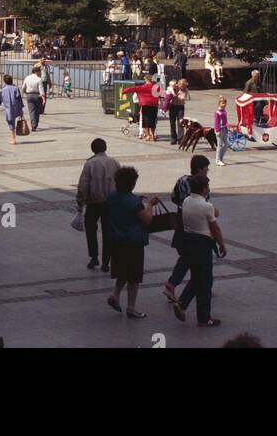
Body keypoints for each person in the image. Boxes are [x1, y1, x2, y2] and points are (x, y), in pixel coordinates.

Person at [105, 165, 160, 319]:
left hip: (116, 240)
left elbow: (124, 204)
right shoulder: (132, 202)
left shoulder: (112, 196)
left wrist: (137, 199)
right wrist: (150, 205)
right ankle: (131, 308)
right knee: (134, 277)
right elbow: (147, 219)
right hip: (132, 242)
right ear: (131, 183)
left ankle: (115, 296)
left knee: (122, 271)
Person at [175, 174, 224, 326]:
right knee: (205, 281)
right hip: (203, 244)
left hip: (188, 242)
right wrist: (222, 244)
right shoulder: (206, 206)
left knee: (197, 277)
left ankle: (182, 304)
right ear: (204, 189)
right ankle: (204, 317)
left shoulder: (186, 201)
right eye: (208, 187)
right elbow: (215, 228)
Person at [164, 153, 211, 310]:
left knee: (187, 256)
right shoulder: (199, 184)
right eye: (206, 169)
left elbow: (173, 197)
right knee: (189, 257)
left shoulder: (181, 180)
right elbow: (206, 202)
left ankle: (178, 284)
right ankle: (174, 284)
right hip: (195, 224)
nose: (207, 172)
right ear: (199, 170)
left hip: (181, 218)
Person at [75, 137, 119, 272]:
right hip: (111, 202)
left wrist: (80, 202)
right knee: (108, 231)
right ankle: (106, 262)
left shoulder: (90, 164)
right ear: (105, 148)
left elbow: (83, 184)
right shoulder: (114, 162)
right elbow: (120, 182)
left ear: (93, 149)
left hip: (94, 202)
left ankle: (94, 257)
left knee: (91, 229)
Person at [0, 74, 24, 147]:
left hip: (9, 110)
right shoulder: (16, 89)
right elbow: (20, 100)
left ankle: (13, 139)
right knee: (13, 122)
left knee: (11, 124)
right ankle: (13, 138)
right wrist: (21, 110)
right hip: (16, 108)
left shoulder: (2, 90)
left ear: (4, 81)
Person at [134, 73, 160, 142]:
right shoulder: (155, 87)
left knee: (146, 121)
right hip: (154, 106)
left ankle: (148, 135)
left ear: (146, 79)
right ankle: (153, 135)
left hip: (145, 105)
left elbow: (136, 94)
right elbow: (159, 95)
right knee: (153, 121)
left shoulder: (143, 87)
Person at [22, 64, 45, 132]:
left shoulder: (27, 78)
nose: (40, 73)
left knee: (32, 111)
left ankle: (33, 125)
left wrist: (26, 93)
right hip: (37, 96)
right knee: (37, 111)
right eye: (40, 72)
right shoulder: (39, 79)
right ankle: (35, 125)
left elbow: (23, 88)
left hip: (29, 95)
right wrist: (43, 98)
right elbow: (41, 90)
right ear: (37, 72)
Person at [214, 96, 228, 166]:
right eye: (222, 103)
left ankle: (221, 158)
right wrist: (217, 130)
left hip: (225, 129)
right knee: (219, 145)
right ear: (219, 103)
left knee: (226, 144)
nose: (224, 104)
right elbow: (216, 122)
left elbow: (225, 120)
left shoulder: (224, 111)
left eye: (225, 103)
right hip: (220, 129)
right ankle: (218, 160)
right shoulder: (218, 112)